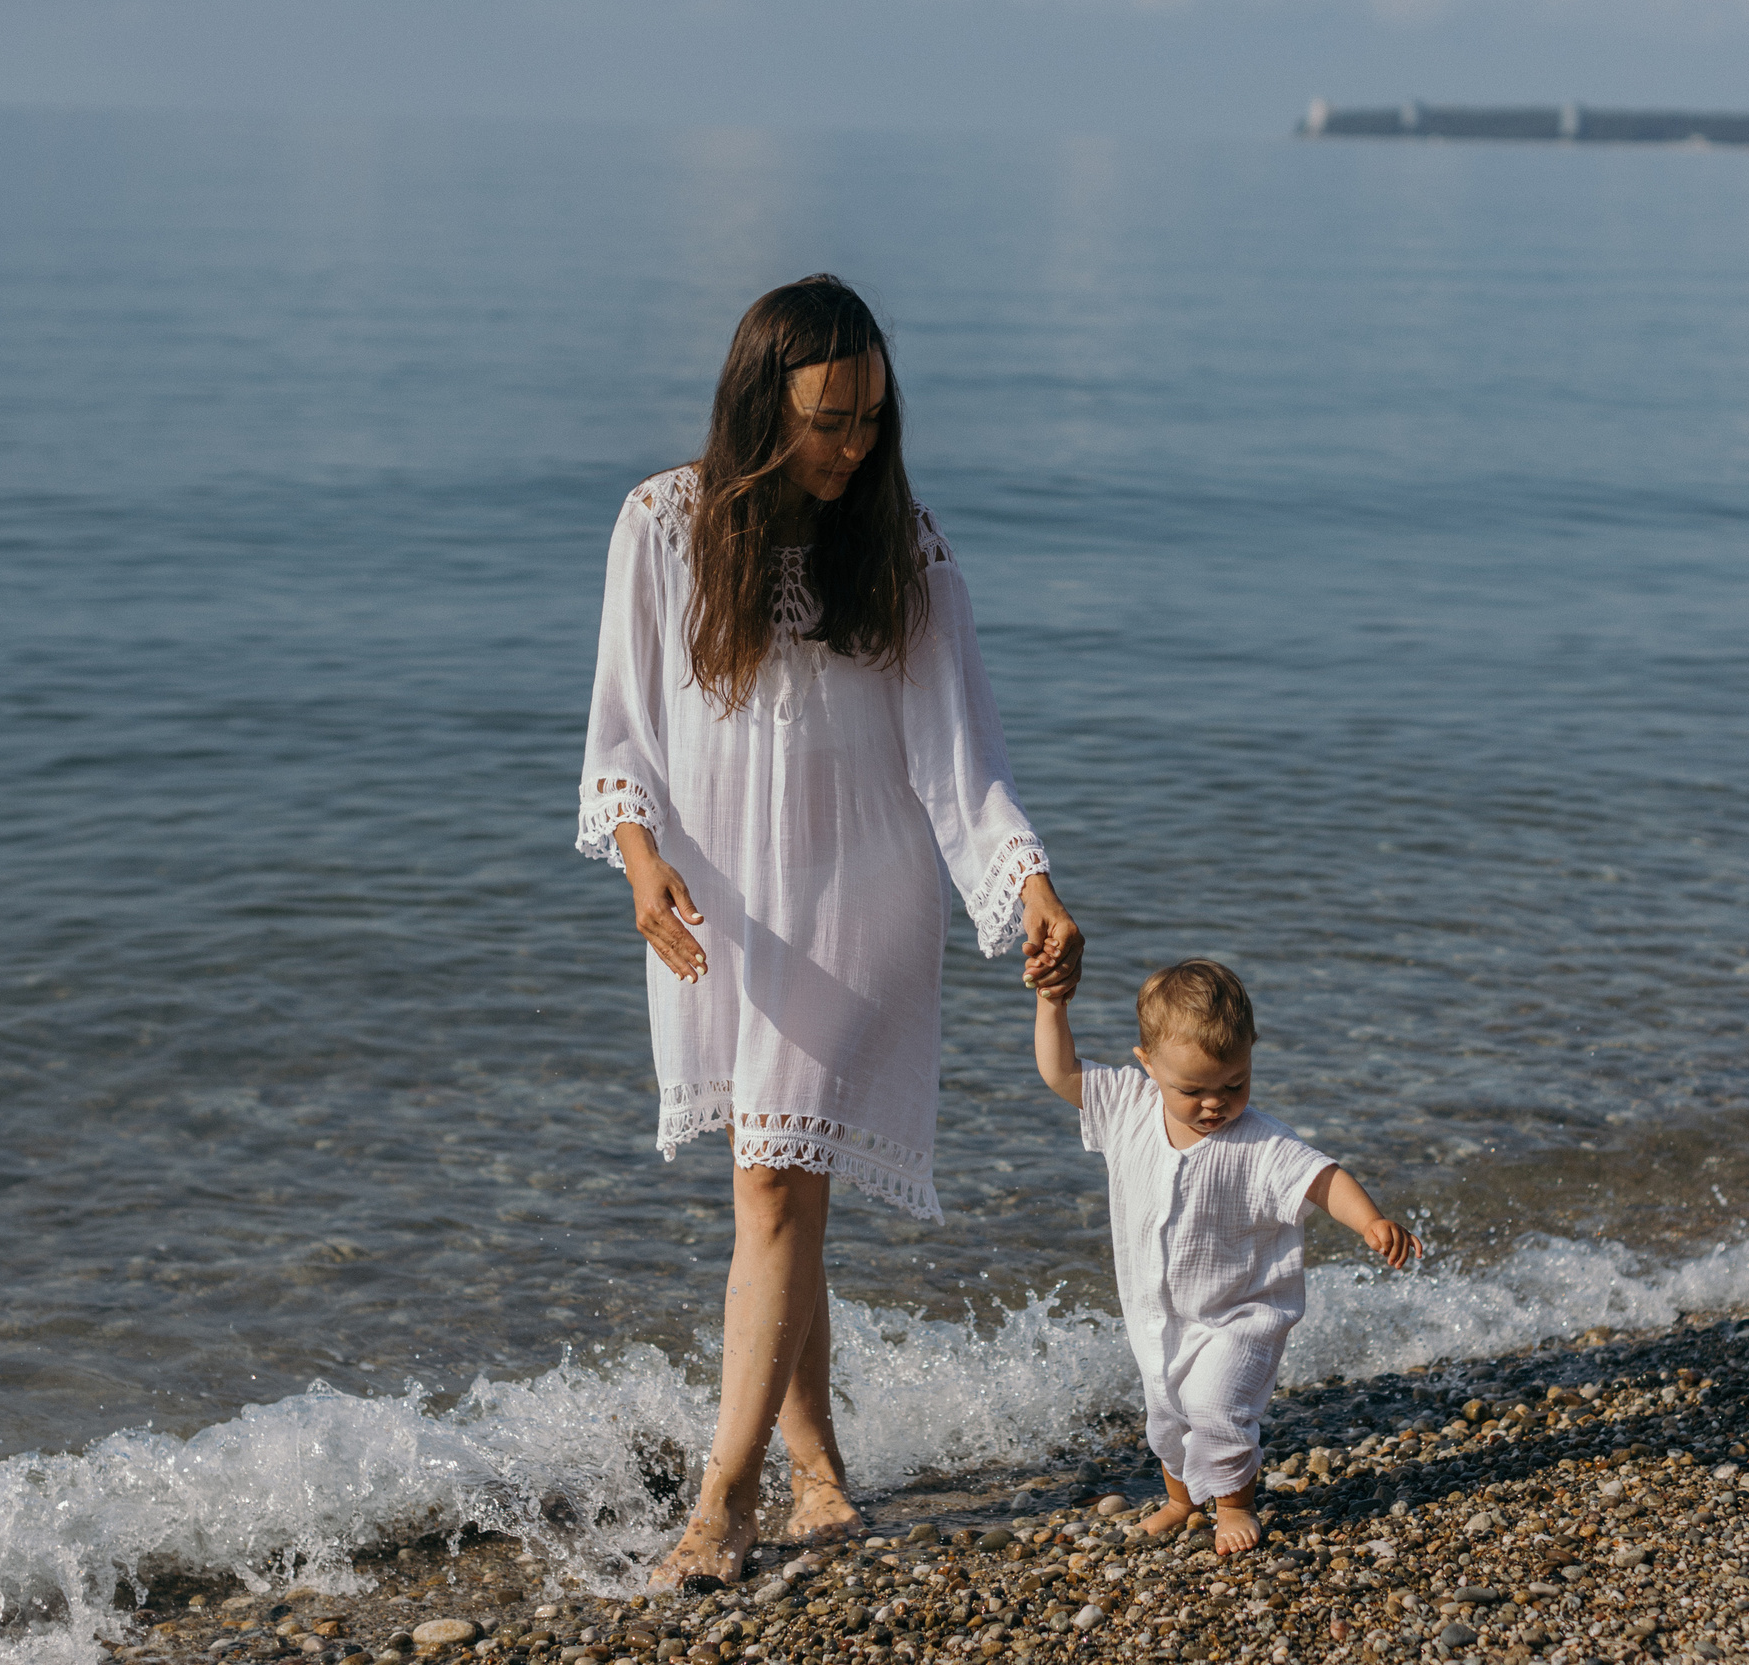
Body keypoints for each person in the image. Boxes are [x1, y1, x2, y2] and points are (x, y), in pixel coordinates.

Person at [579, 275, 1082, 1588]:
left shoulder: (903, 551)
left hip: (861, 899)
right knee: (778, 1182)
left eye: (868, 417)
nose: (851, 445)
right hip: (722, 904)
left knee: (772, 1182)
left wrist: (1026, 882)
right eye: (824, 420)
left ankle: (724, 1497)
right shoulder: (663, 525)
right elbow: (622, 728)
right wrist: (637, 861)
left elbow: (959, 765)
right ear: (762, 408)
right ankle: (820, 1469)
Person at [1033, 959, 1416, 1554]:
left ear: (1251, 1058)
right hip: (1159, 1319)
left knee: (1216, 1407)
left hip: (1244, 1314)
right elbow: (1059, 1073)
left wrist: (1370, 1220)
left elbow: (1323, 1178)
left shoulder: (1261, 1142)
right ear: (1148, 1065)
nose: (1214, 1104)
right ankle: (1182, 1500)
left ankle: (1236, 1505)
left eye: (1234, 1084)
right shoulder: (1127, 1108)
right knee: (1166, 1418)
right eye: (1192, 1090)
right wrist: (1052, 1004)